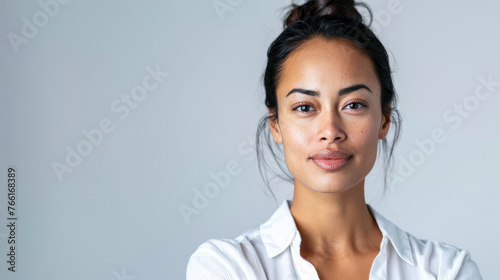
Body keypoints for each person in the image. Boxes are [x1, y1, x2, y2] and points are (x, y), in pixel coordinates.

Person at [186, 0, 483, 279]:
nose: (330, 130)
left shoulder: (445, 269)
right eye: (305, 108)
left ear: (384, 119)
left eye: (353, 105)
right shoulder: (228, 266)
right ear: (275, 123)